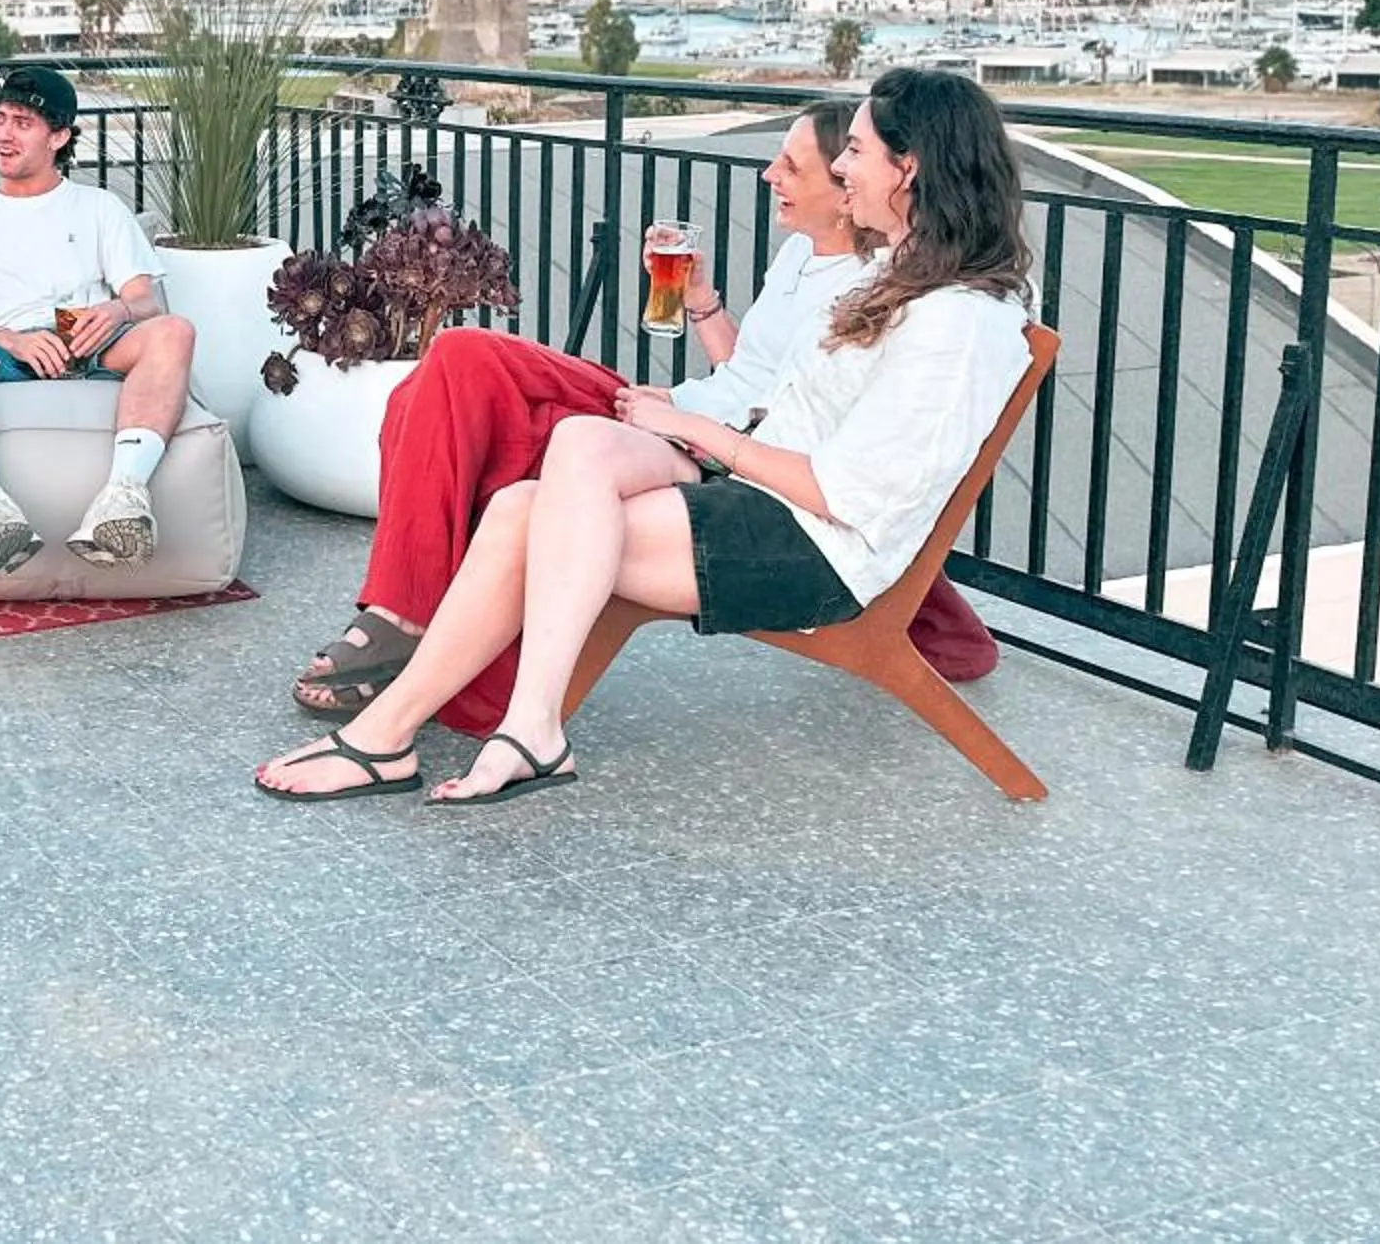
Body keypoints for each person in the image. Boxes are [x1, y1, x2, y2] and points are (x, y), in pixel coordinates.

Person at [257, 67, 1035, 803]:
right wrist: (696, 395)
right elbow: (788, 398)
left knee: (535, 496)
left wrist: (692, 429)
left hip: (812, 550)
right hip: (757, 494)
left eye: (855, 152)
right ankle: (456, 732)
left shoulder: (957, 323)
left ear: (909, 168)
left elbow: (848, 495)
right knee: (559, 463)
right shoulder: (905, 276)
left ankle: (446, 734)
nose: (842, 170)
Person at [0, 64, 197, 573]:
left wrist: (116, 309)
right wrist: (10, 340)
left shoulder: (99, 207)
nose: (3, 134)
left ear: (59, 136)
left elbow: (146, 300)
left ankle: (122, 498)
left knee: (175, 331)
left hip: (86, 342)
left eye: (22, 122)